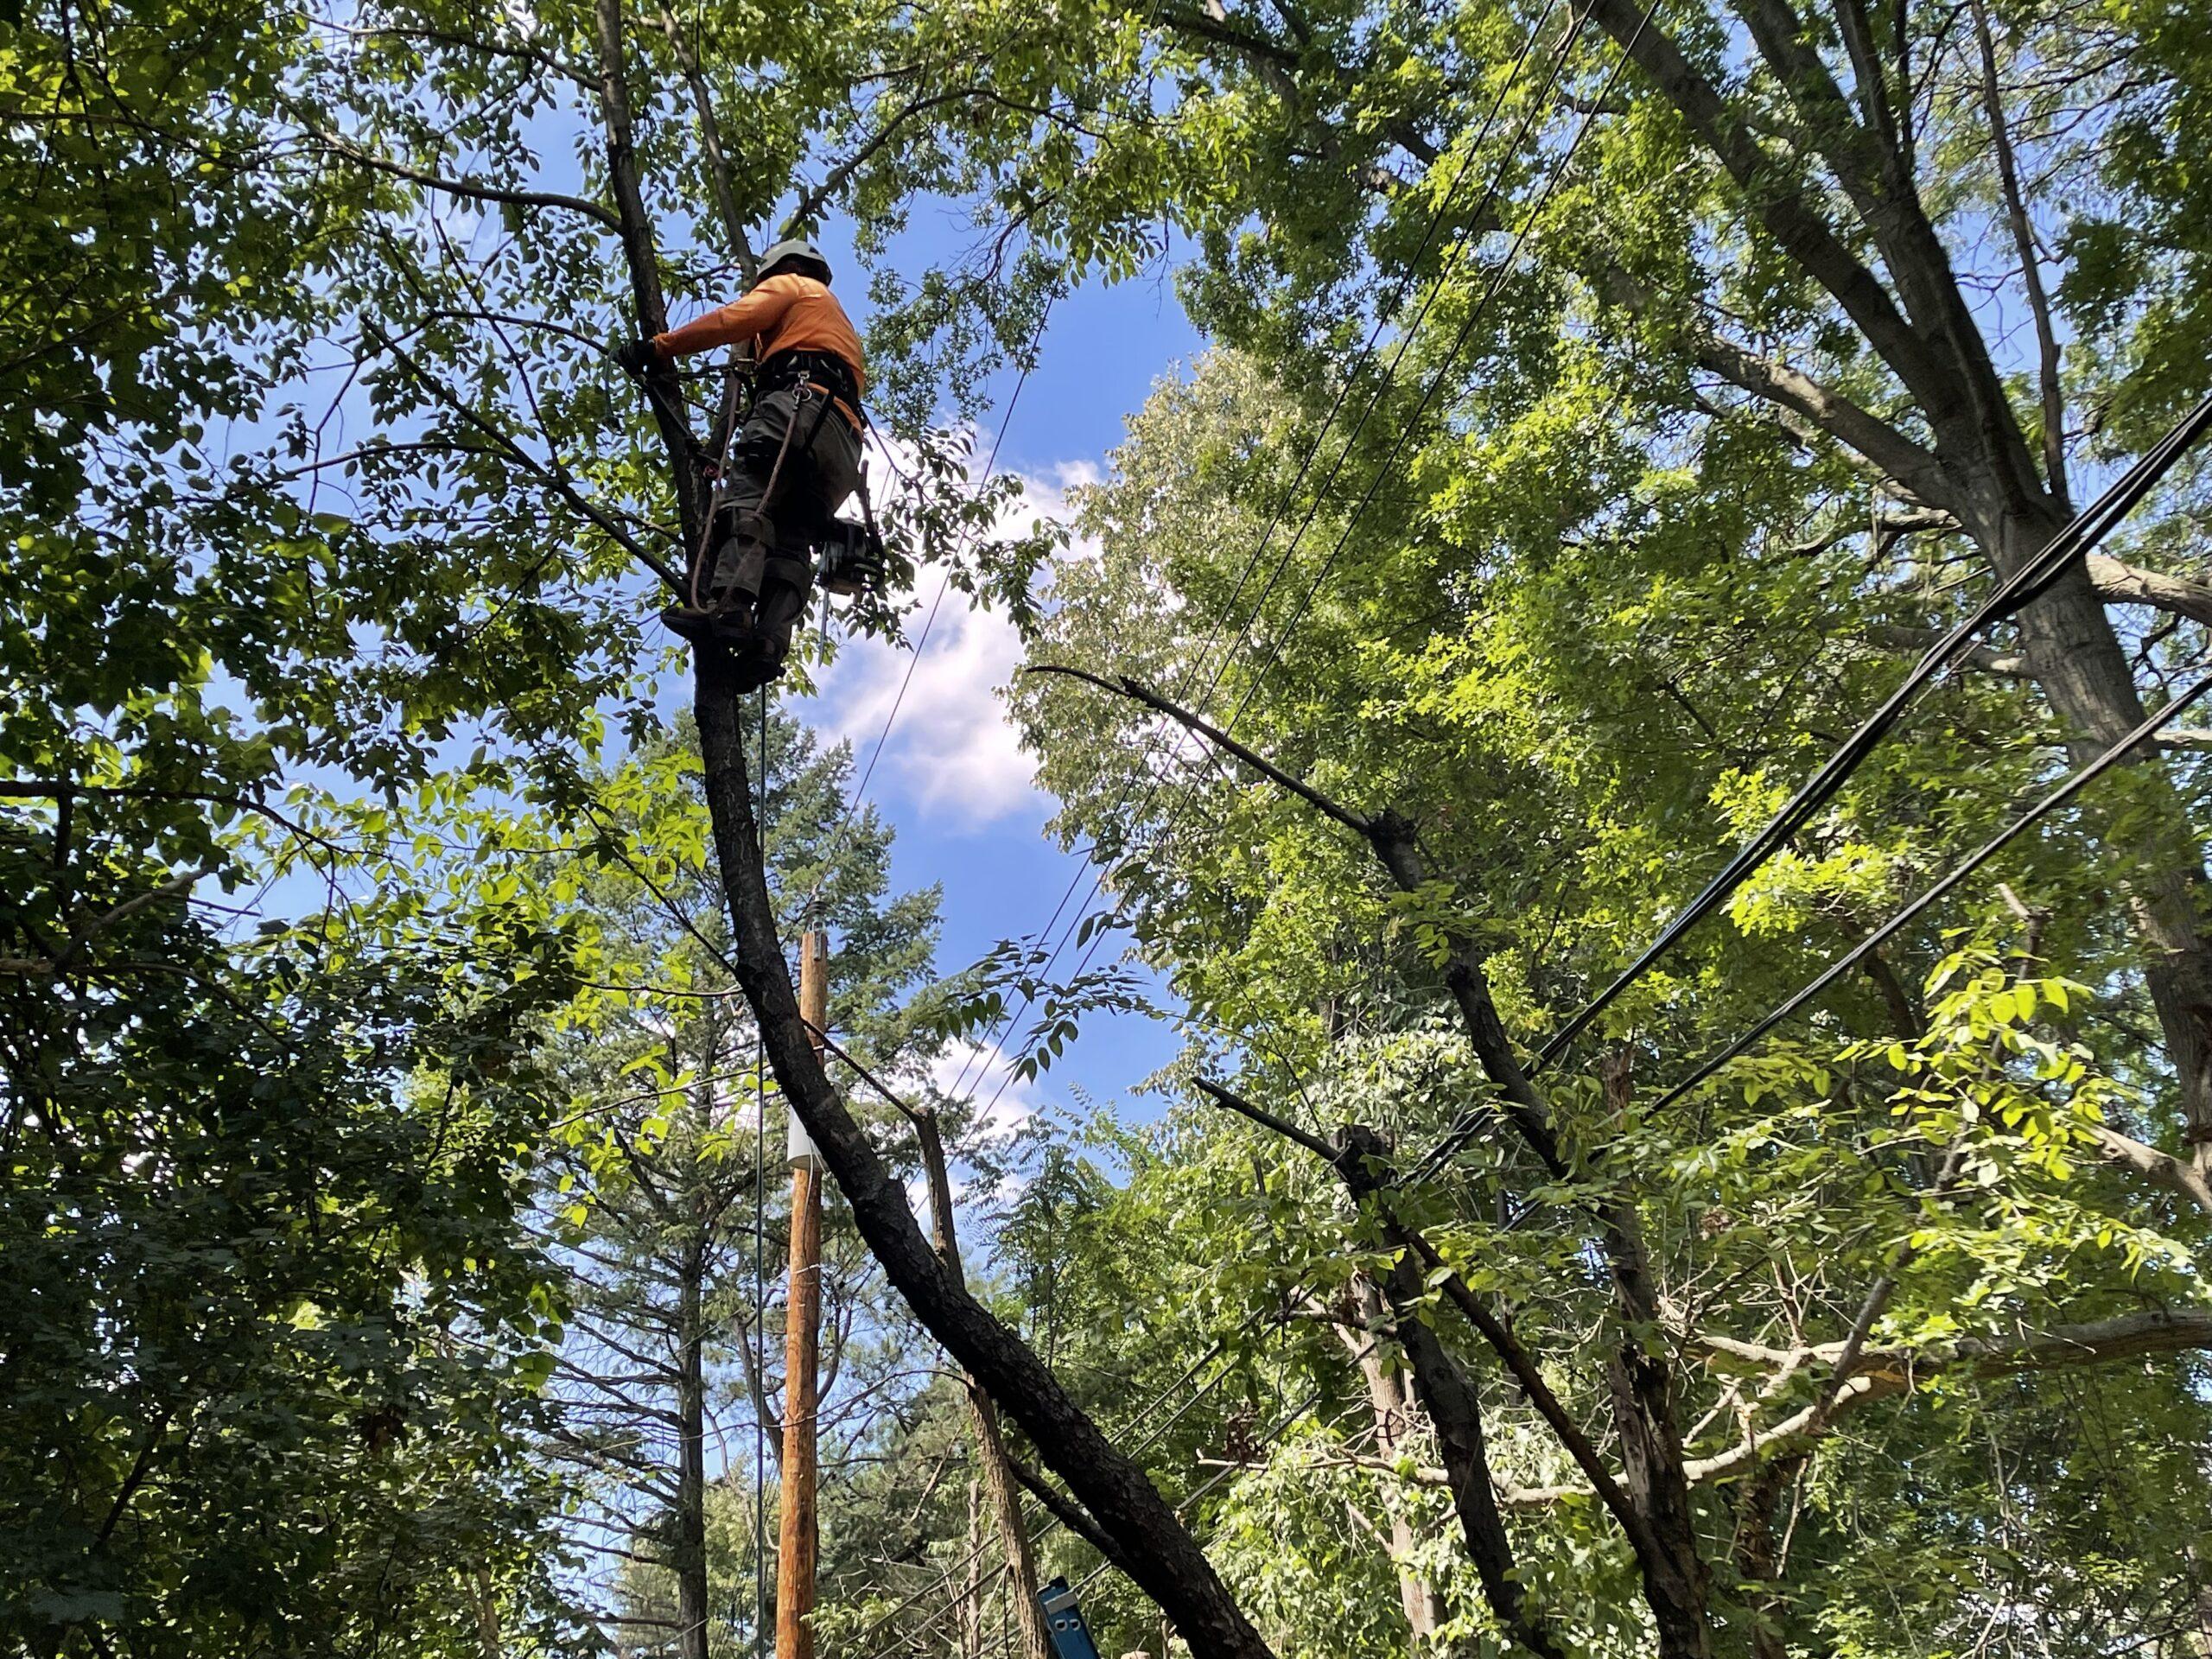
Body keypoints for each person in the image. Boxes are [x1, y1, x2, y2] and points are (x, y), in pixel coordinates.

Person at [616, 237, 866, 685]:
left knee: (748, 497)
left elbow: (735, 319)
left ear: (781, 269)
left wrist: (658, 348)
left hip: (798, 409)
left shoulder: (792, 285)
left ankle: (730, 606)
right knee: (791, 541)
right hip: (842, 444)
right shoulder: (833, 321)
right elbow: (757, 347)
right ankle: (768, 645)